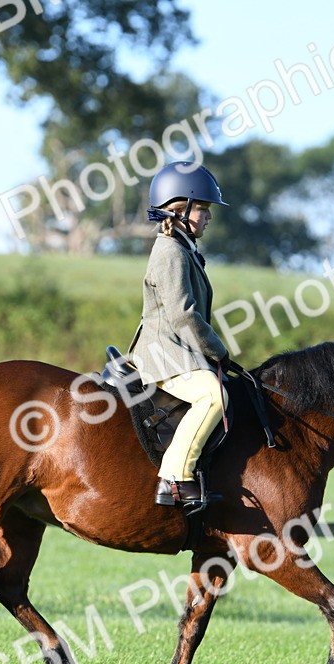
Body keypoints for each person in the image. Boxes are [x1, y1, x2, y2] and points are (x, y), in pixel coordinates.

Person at [128, 161, 230, 508]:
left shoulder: (183, 248)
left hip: (178, 350)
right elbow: (184, 315)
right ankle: (175, 478)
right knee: (214, 397)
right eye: (202, 208)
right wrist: (218, 351)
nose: (209, 216)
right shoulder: (171, 251)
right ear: (179, 208)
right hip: (164, 353)